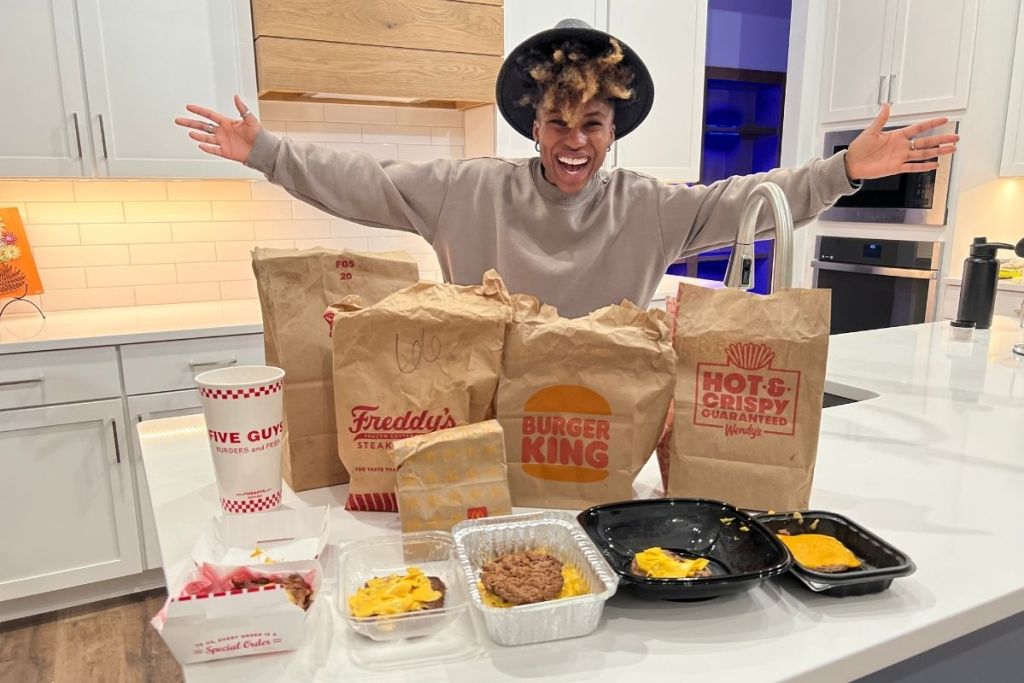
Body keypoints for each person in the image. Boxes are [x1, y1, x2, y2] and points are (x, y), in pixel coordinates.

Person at [175, 20, 957, 318]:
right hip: (482, 412)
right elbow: (366, 182)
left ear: (613, 129)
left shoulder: (651, 207)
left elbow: (754, 198)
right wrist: (268, 152)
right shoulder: (470, 189)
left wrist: (845, 167)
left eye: (591, 122)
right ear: (534, 124)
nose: (573, 140)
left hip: (603, 415)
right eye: (557, 121)